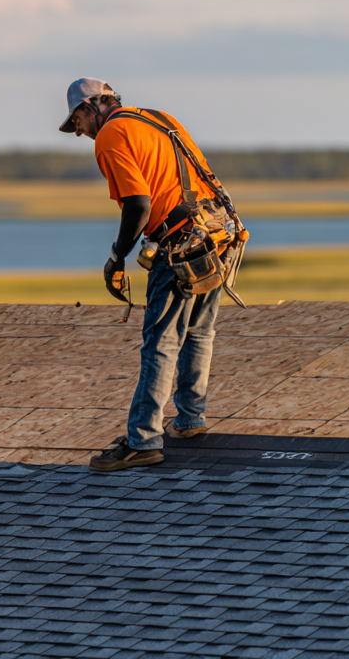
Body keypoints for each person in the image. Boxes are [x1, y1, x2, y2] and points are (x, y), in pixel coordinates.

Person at [61, 78, 227, 472]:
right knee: (199, 332)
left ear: (92, 107)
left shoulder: (111, 135)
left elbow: (137, 203)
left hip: (180, 242)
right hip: (217, 231)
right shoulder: (157, 118)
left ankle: (143, 439)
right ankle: (189, 420)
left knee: (161, 342)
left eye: (77, 120)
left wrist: (117, 257)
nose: (79, 131)